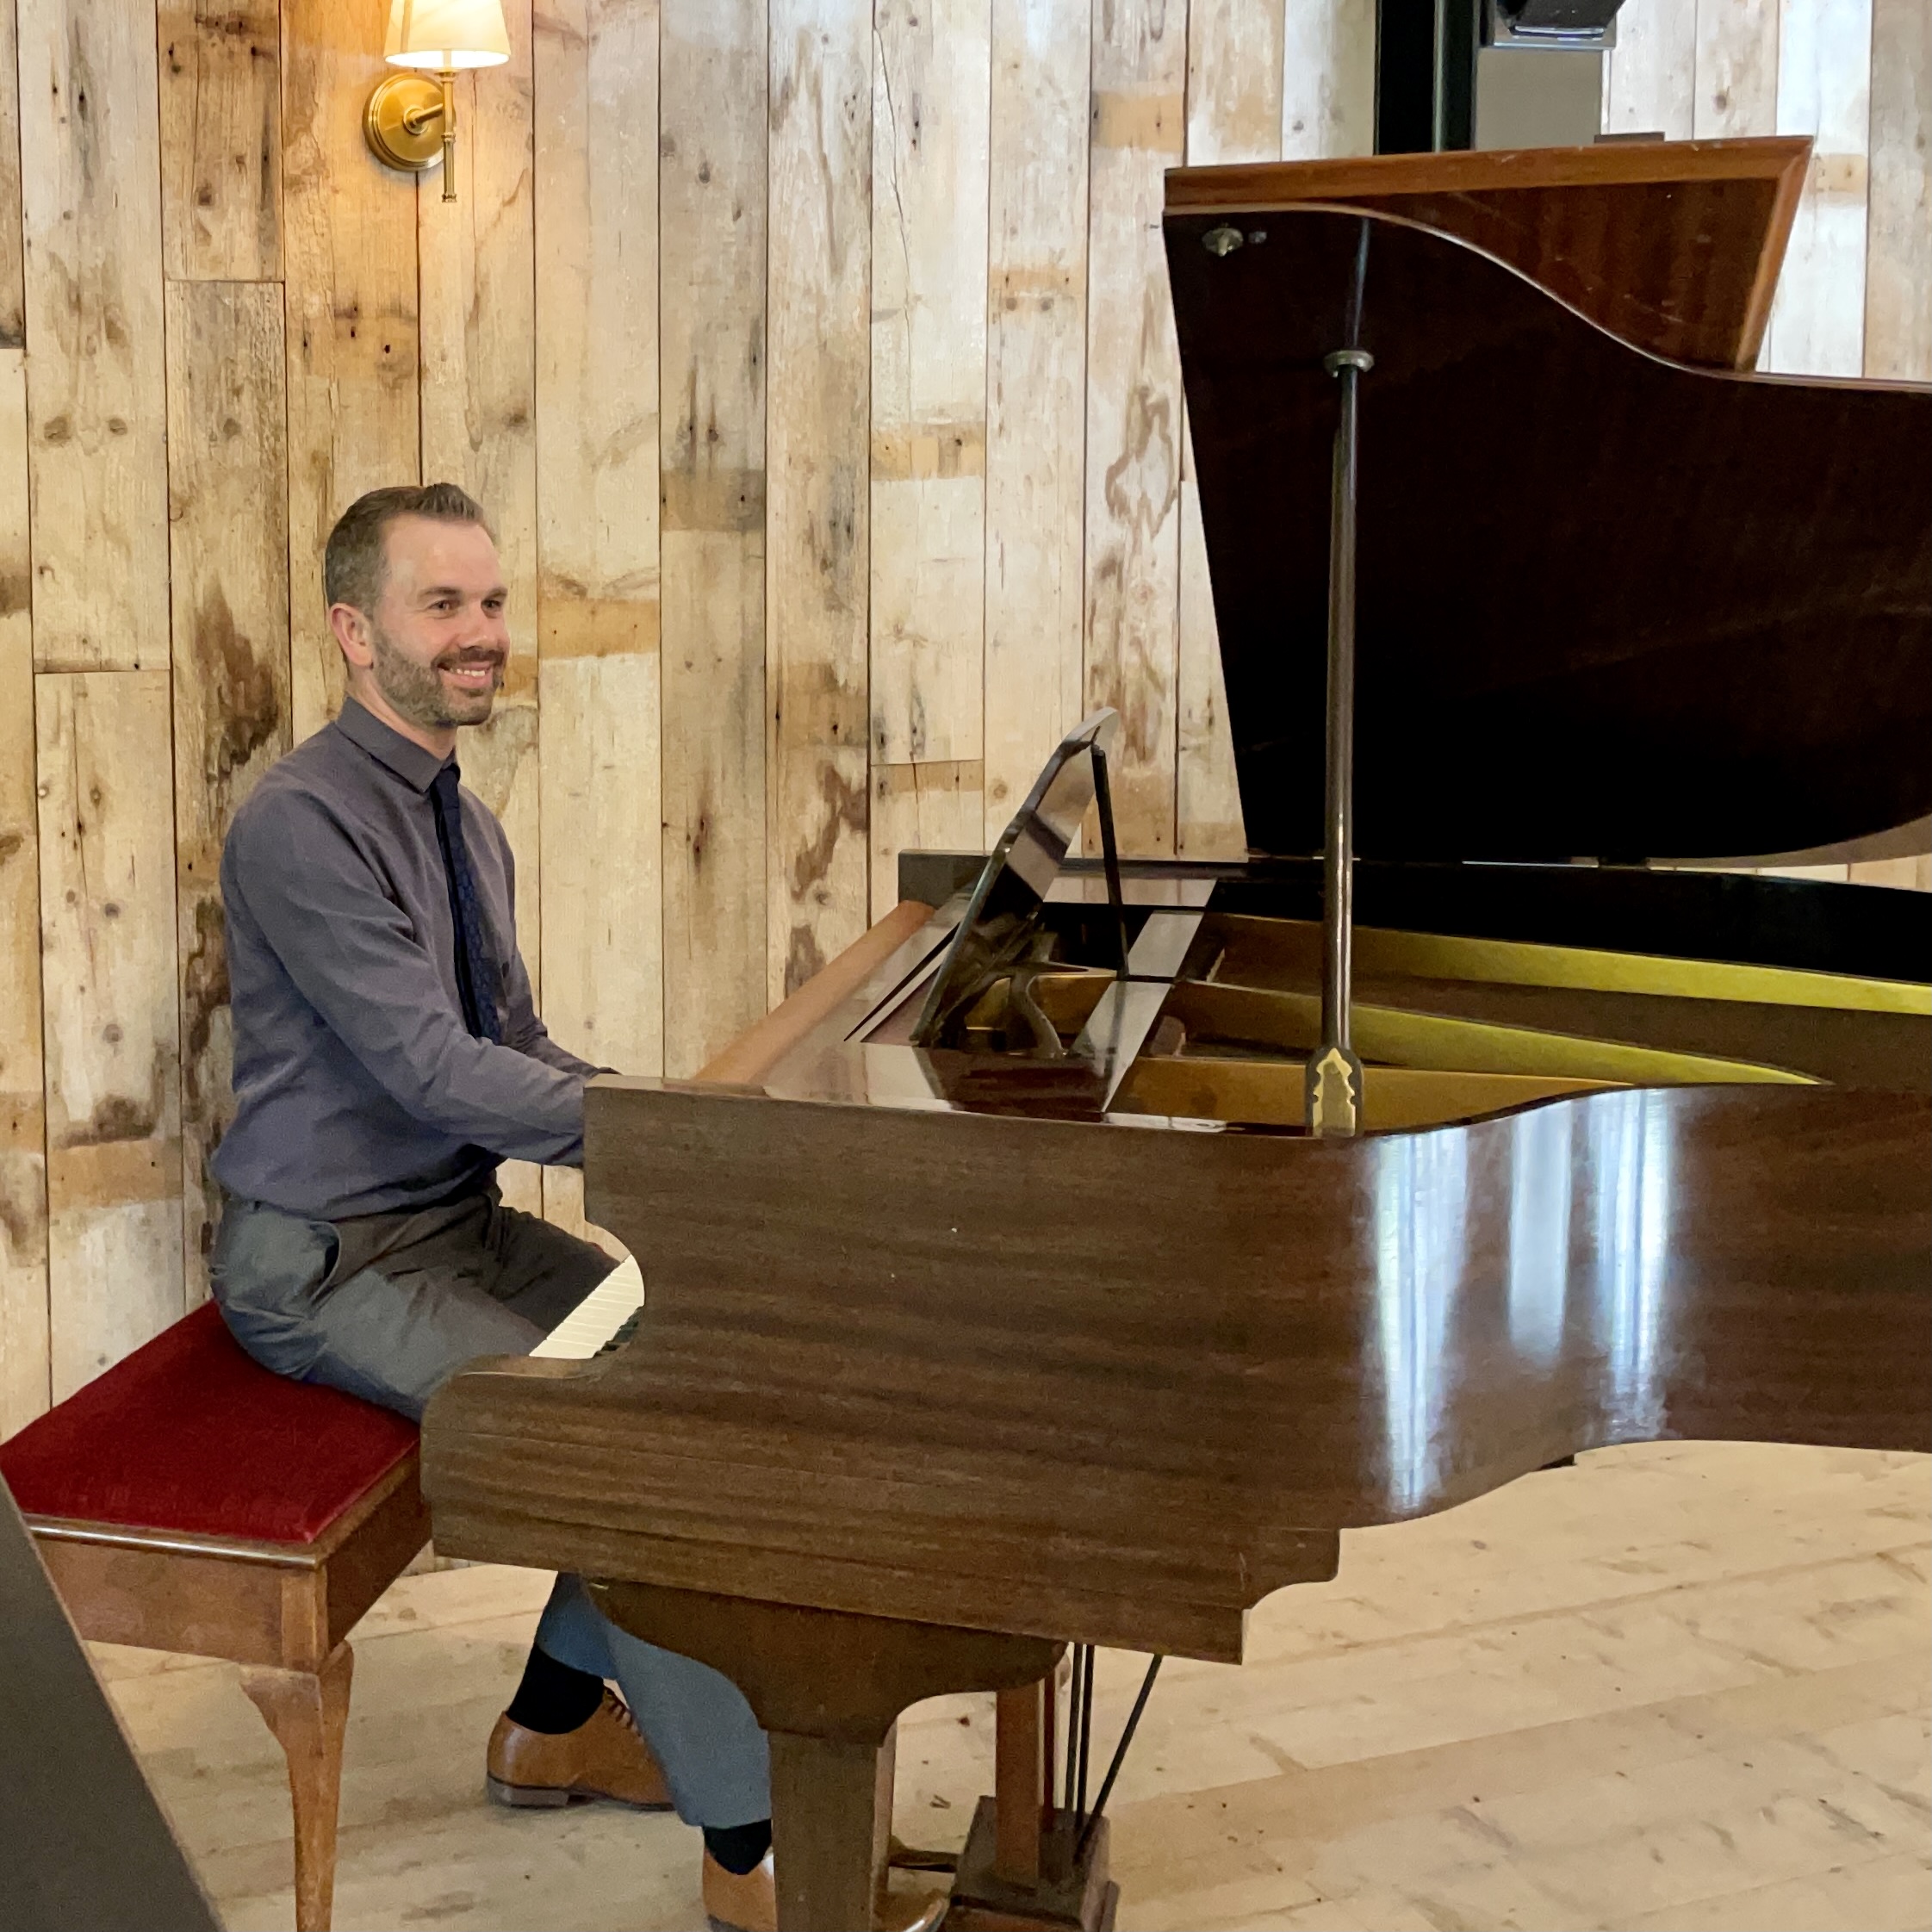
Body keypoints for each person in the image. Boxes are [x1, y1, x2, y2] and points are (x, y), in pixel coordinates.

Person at [209, 483, 798, 1930]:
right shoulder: (299, 824)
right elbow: (429, 1071)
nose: (482, 636)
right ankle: (757, 1860)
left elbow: (515, 1051)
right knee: (617, 1450)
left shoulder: (467, 828)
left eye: (490, 603)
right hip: (328, 1265)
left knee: (701, 1352)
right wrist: (664, 1138)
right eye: (443, 606)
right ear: (356, 632)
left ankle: (550, 1722)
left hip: (450, 1225)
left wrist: (665, 1120)